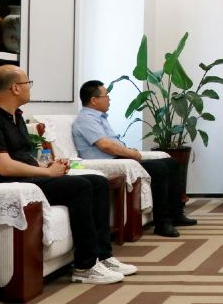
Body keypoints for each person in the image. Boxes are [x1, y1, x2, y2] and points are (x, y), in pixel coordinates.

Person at [0, 65, 137, 285]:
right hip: (9, 183)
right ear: (15, 88)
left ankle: (103, 256)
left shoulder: (15, 116)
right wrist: (46, 172)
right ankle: (85, 266)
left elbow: (22, 156)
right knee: (81, 186)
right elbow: (4, 167)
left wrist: (49, 165)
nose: (29, 87)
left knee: (98, 182)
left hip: (27, 178)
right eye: (27, 83)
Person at [72, 80, 198, 238]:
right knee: (159, 169)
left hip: (119, 158)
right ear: (94, 100)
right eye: (106, 96)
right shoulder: (86, 119)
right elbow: (105, 146)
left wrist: (128, 152)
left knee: (171, 163)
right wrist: (130, 154)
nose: (109, 99)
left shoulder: (99, 117)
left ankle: (176, 214)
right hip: (109, 163)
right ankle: (162, 223)